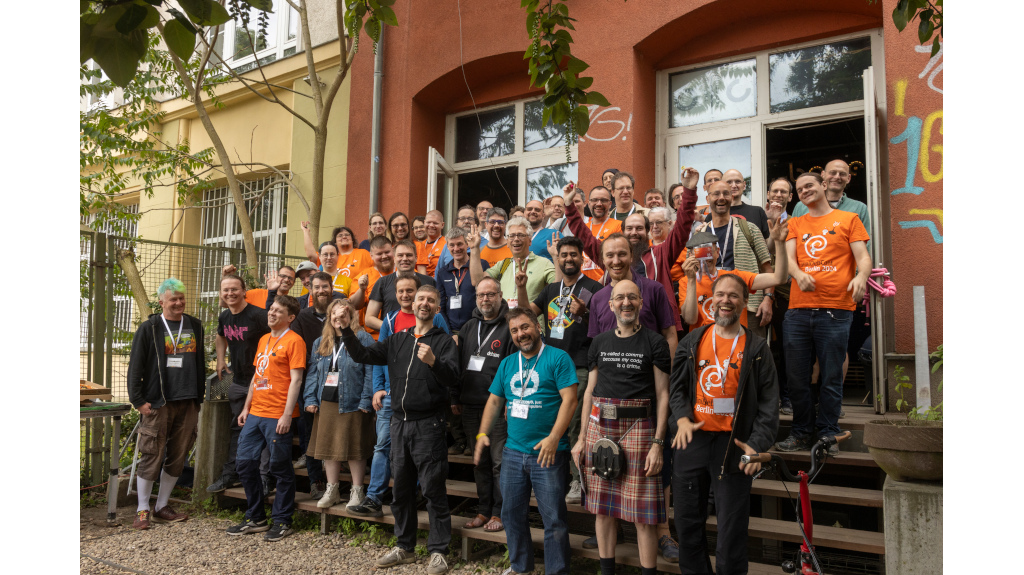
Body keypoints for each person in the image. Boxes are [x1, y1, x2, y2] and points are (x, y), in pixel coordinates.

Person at [340, 285, 460, 575]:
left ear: (437, 308)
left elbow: (454, 378)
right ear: (412, 304)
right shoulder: (397, 339)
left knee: (433, 489)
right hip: (398, 423)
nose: (425, 303)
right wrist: (345, 329)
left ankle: (438, 551)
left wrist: (434, 362)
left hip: (429, 424)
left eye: (431, 300)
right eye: (421, 299)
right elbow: (364, 356)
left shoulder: (443, 342)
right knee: (402, 489)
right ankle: (404, 546)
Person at [669, 273, 780, 575]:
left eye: (733, 295)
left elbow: (770, 406)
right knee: (687, 524)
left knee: (731, 529)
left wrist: (757, 444)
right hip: (692, 441)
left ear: (745, 302)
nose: (725, 301)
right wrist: (680, 419)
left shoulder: (758, 350)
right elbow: (676, 389)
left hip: (735, 446)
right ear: (711, 299)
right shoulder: (693, 340)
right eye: (720, 294)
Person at [574, 280, 671, 575]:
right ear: (610, 304)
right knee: (602, 510)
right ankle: (607, 571)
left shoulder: (655, 342)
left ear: (641, 303)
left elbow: (663, 393)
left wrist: (658, 443)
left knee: (643, 516)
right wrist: (580, 439)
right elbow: (589, 392)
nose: (625, 302)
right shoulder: (600, 342)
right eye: (620, 298)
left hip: (640, 427)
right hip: (599, 426)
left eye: (631, 297)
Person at [474, 308, 578, 575]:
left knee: (553, 519)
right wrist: (482, 434)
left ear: (538, 326)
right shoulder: (509, 363)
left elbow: (570, 400)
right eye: (515, 331)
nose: (521, 334)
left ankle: (557, 571)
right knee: (511, 515)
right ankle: (521, 567)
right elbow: (495, 400)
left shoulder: (558, 358)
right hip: (513, 452)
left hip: (549, 453)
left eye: (525, 327)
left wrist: (554, 438)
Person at [775, 172, 871, 454]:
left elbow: (863, 257)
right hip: (798, 311)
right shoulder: (794, 222)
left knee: (831, 375)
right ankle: (802, 432)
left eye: (809, 186)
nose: (805, 191)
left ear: (823, 186)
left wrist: (861, 278)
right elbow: (789, 260)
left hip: (836, 310)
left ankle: (828, 432)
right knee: (796, 377)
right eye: (800, 188)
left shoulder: (849, 220)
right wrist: (797, 273)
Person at [348, 273, 451, 519]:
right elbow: (371, 356)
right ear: (406, 301)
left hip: (426, 413)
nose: (419, 301)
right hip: (394, 405)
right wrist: (378, 387)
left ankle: (430, 531)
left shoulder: (440, 330)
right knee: (387, 455)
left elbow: (449, 370)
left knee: (425, 471)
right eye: (405, 293)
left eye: (427, 299)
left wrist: (434, 366)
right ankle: (379, 506)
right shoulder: (393, 327)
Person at [565, 169, 700, 340]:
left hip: (656, 328)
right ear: (622, 232)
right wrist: (569, 206)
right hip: (618, 328)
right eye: (629, 228)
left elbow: (682, 227)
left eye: (639, 228)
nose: (634, 232)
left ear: (648, 231)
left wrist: (689, 191)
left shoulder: (661, 254)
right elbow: (584, 236)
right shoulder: (612, 257)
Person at [519, 236, 602, 505]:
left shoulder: (594, 288)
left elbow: (606, 328)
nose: (568, 259)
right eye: (563, 254)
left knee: (575, 423)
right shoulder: (551, 289)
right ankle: (547, 476)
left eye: (573, 254)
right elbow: (526, 315)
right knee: (547, 421)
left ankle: (578, 481)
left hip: (578, 366)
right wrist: (521, 288)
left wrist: (586, 312)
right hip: (550, 365)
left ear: (582, 258)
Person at [128, 278, 206, 529]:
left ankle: (162, 506)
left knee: (178, 456)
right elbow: (136, 367)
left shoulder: (194, 325)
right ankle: (142, 509)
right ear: (161, 301)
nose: (179, 302)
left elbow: (200, 362)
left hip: (188, 401)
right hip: (159, 402)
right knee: (152, 453)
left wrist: (199, 398)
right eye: (173, 299)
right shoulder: (149, 327)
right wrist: (138, 401)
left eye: (182, 298)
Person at [227, 295, 305, 542]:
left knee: (279, 468)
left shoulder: (295, 341)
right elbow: (256, 376)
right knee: (244, 463)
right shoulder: (263, 339)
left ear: (290, 317)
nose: (271, 313)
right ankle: (256, 517)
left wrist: (287, 414)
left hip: (277, 415)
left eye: (278, 311)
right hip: (255, 413)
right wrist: (246, 408)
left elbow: (297, 380)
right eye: (271, 309)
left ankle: (282, 520)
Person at [454, 277, 516, 533]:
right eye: (481, 295)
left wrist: (509, 401)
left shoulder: (509, 326)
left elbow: (515, 368)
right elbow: (457, 365)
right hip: (470, 405)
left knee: (499, 461)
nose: (485, 299)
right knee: (479, 462)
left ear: (500, 296)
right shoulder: (469, 327)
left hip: (498, 406)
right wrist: (455, 397)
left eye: (491, 294)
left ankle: (500, 513)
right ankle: (483, 510)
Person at [303, 299, 375, 510]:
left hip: (353, 401)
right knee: (328, 448)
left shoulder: (363, 338)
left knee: (354, 448)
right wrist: (310, 398)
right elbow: (313, 373)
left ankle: (357, 490)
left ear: (350, 315)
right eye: (333, 314)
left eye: (342, 313)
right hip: (327, 402)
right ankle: (332, 489)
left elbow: (370, 371)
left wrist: (365, 399)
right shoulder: (321, 341)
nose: (337, 317)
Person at [208, 275, 272, 495]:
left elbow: (277, 336)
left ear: (245, 291)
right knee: (238, 427)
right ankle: (231, 474)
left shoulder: (258, 315)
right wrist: (220, 359)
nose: (230, 294)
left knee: (262, 429)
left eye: (235, 289)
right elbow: (220, 337)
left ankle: (263, 478)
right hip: (238, 381)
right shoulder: (225, 316)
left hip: (262, 382)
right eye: (225, 290)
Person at [688, 181, 775, 339]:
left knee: (751, 355)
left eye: (726, 193)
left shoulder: (750, 229)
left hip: (747, 307)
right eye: (716, 194)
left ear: (732, 197)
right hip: (710, 306)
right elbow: (693, 271)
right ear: (708, 199)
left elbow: (767, 268)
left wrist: (768, 299)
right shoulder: (699, 234)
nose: (721, 198)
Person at [678, 222, 789, 333]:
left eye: (708, 252)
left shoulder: (735, 277)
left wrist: (780, 243)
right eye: (699, 253)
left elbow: (779, 278)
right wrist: (692, 280)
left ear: (717, 252)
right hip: (704, 344)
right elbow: (690, 319)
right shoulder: (685, 282)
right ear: (691, 256)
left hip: (736, 342)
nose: (705, 259)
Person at [288, 271, 337, 500]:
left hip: (338, 383)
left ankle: (337, 478)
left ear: (331, 287)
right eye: (316, 287)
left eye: (324, 286)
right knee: (309, 434)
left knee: (336, 429)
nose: (320, 291)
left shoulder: (339, 313)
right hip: (310, 384)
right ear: (310, 289)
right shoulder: (302, 317)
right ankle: (316, 479)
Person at [468, 216, 556, 311]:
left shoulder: (544, 263)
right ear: (508, 242)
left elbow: (558, 289)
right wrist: (474, 248)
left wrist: (556, 257)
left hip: (532, 323)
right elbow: (477, 281)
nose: (516, 239)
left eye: (521, 235)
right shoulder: (503, 264)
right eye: (512, 236)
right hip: (506, 324)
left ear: (530, 241)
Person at [791, 160, 871, 250]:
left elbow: (865, 247)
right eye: (832, 173)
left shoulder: (859, 208)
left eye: (842, 174)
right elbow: (793, 243)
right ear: (823, 175)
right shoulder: (801, 207)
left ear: (848, 178)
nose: (837, 177)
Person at [765, 177, 795, 415]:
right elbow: (764, 251)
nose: (778, 195)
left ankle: (786, 397)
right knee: (767, 349)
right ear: (767, 194)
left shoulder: (796, 222)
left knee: (786, 348)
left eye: (783, 192)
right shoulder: (757, 219)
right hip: (763, 292)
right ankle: (771, 397)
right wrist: (771, 225)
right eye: (775, 191)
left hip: (787, 295)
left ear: (790, 197)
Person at [365, 239, 435, 332]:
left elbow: (437, 312)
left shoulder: (429, 281)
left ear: (416, 258)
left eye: (409, 255)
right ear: (394, 258)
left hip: (423, 338)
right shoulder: (382, 282)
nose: (405, 258)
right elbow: (369, 318)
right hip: (392, 339)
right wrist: (393, 328)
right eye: (400, 255)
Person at [437, 226, 489, 338]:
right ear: (447, 247)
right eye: (452, 245)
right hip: (452, 332)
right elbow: (440, 306)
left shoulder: (482, 265)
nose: (456, 249)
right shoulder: (443, 272)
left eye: (459, 244)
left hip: (476, 330)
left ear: (467, 244)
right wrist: (449, 334)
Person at [348, 235, 396, 340]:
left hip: (402, 332)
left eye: (387, 252)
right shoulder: (364, 275)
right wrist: (361, 289)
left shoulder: (404, 272)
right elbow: (354, 305)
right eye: (379, 254)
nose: (384, 256)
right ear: (371, 256)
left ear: (393, 251)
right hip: (373, 336)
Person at [704, 169, 772, 241]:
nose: (734, 185)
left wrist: (774, 235)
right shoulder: (712, 216)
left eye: (737, 181)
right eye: (729, 182)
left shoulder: (757, 212)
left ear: (744, 185)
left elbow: (769, 248)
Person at [572, 185, 622, 282]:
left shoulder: (618, 226)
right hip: (583, 283)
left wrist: (602, 282)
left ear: (610, 204)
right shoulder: (583, 229)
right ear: (589, 203)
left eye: (603, 200)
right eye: (594, 200)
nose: (599, 204)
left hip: (607, 283)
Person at [433, 205, 480, 283]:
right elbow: (438, 273)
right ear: (457, 223)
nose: (466, 221)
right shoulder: (447, 246)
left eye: (470, 219)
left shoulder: (485, 244)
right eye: (462, 219)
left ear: (476, 222)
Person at [417, 210, 447, 277]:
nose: (431, 225)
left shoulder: (447, 244)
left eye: (435, 223)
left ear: (442, 225)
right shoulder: (419, 245)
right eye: (428, 222)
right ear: (424, 223)